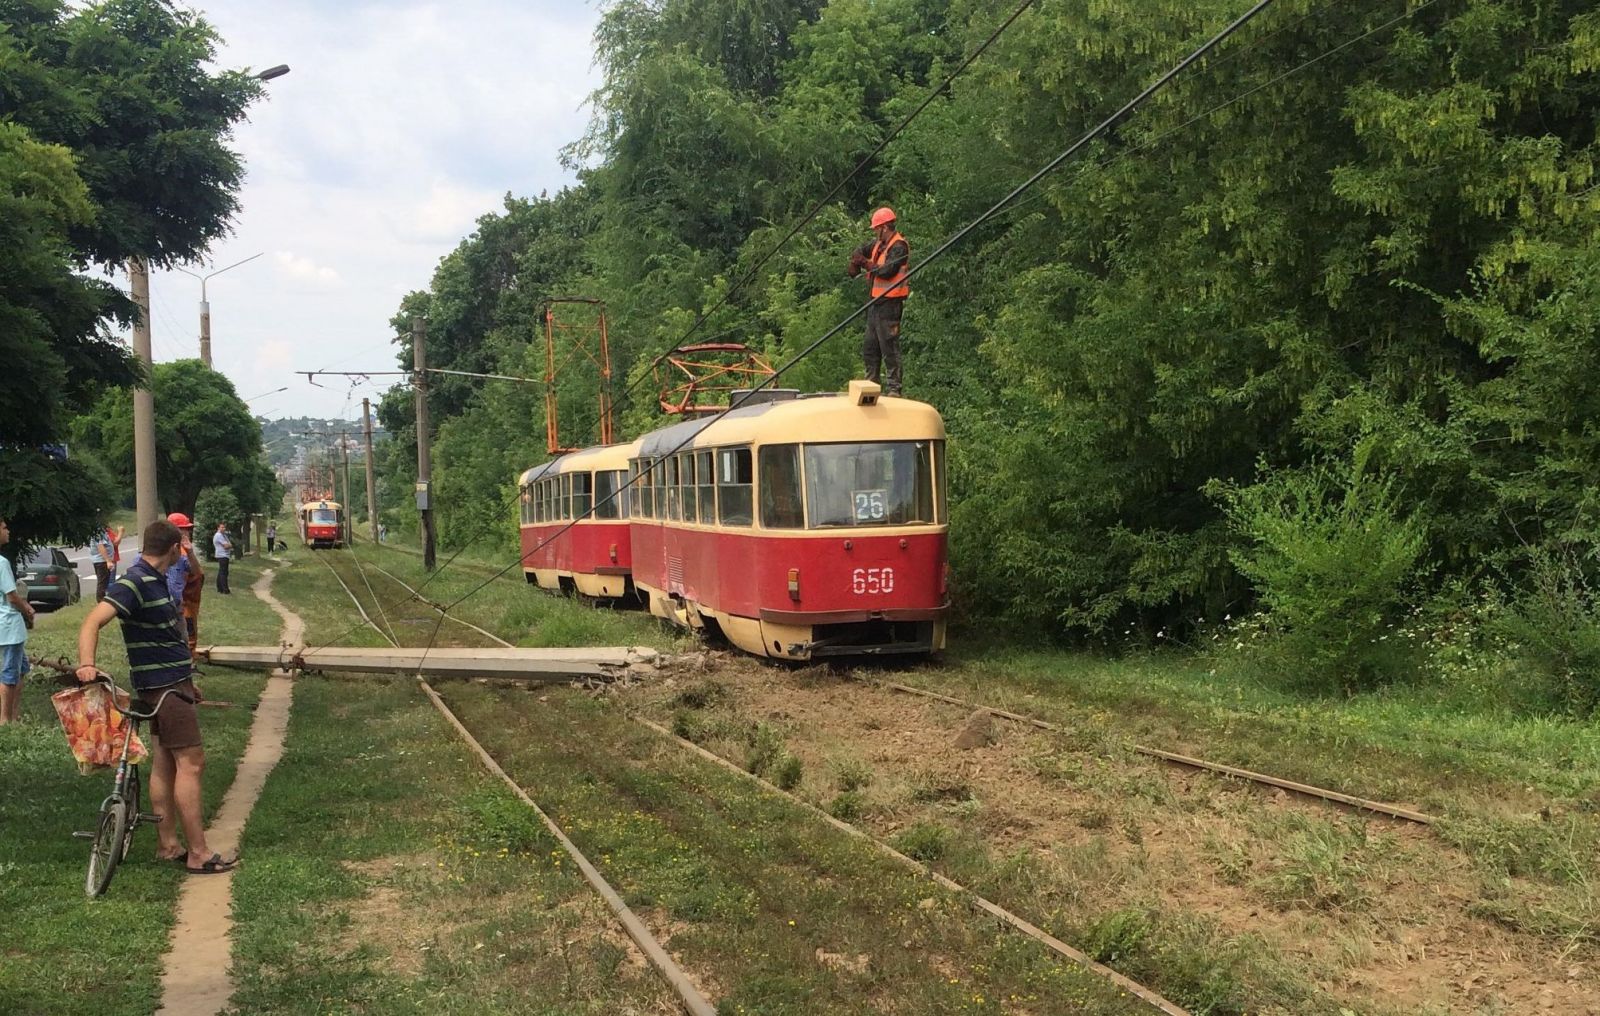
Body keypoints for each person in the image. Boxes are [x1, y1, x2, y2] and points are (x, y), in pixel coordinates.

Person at [75, 518, 235, 873]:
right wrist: (87, 664)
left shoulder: (156, 579)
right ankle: (198, 853)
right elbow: (92, 621)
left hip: (170, 684)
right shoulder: (134, 581)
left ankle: (168, 845)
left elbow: (166, 638)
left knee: (164, 761)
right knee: (192, 763)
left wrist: (186, 681)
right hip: (163, 689)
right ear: (175, 548)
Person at [846, 206, 910, 396]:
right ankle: (871, 386)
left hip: (891, 305)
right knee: (870, 348)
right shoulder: (878, 245)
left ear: (885, 227)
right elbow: (860, 250)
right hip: (875, 304)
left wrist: (864, 263)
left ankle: (894, 390)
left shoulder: (899, 246)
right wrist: (855, 261)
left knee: (889, 348)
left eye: (876, 229)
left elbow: (886, 271)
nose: (875, 232)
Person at [0, 517, 37, 724]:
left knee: (22, 668)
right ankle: (5, 720)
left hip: (4, 625)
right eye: (4, 528)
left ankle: (14, 715)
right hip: (9, 625)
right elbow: (12, 596)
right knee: (10, 673)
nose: (8, 531)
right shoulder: (2, 562)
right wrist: (27, 609)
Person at [165, 513, 205, 662]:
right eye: (184, 529)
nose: (187, 532)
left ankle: (188, 653)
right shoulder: (177, 552)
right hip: (186, 599)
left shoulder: (185, 550)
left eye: (187, 529)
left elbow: (197, 571)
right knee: (187, 628)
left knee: (187, 627)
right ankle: (188, 654)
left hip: (189, 598)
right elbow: (194, 575)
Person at [88, 528, 113, 602]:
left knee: (104, 583)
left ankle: (102, 600)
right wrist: (108, 560)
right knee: (102, 583)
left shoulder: (99, 530)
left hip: (101, 560)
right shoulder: (97, 531)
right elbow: (100, 546)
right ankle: (101, 601)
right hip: (101, 561)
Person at [211, 522, 232, 595]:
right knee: (223, 573)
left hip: (225, 555)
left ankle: (219, 588)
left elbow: (229, 544)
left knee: (222, 572)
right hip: (222, 555)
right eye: (222, 527)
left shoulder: (224, 535)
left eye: (224, 527)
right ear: (218, 528)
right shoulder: (218, 535)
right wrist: (229, 545)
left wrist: (229, 545)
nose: (223, 529)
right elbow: (226, 545)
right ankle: (225, 589)